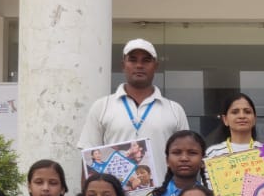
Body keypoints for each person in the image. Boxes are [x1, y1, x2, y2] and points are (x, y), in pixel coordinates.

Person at [78, 38, 189, 166]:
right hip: (114, 180)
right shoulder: (102, 106)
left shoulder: (175, 110)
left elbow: (184, 157)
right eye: (132, 60)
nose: (139, 65)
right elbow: (88, 159)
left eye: (146, 60)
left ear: (156, 66)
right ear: (123, 65)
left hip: (162, 180)